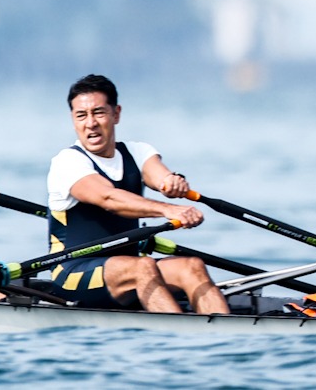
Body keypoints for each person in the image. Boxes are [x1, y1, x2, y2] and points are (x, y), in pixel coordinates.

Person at [41, 73, 228, 314]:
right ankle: (177, 339)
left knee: (192, 267)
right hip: (73, 273)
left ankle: (225, 337)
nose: (91, 123)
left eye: (99, 112)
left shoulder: (138, 152)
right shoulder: (67, 162)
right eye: (81, 115)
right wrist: (168, 210)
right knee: (143, 268)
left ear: (116, 114)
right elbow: (109, 199)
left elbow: (158, 175)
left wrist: (172, 182)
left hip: (129, 268)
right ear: (73, 120)